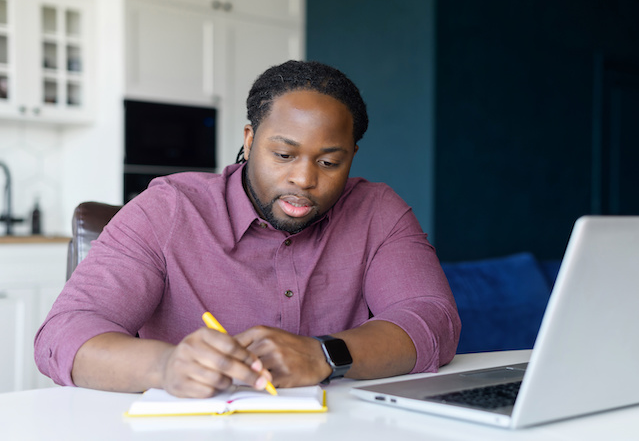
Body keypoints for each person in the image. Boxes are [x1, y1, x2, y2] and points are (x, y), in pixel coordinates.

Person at [35, 60, 461, 398]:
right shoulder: (167, 210)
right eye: (283, 154)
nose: (304, 179)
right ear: (250, 139)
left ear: (351, 156)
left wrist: (325, 354)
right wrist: (165, 366)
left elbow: (432, 320)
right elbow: (63, 334)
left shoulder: (377, 211)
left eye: (330, 162)